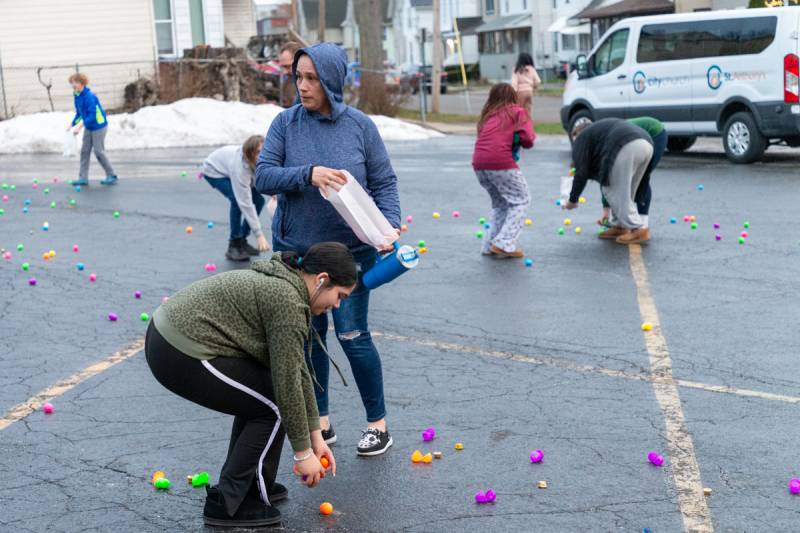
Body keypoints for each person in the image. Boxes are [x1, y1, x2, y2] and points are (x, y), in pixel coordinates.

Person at [145, 242, 356, 528]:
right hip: (178, 349)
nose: (337, 305)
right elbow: (288, 385)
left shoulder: (291, 288)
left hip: (178, 339)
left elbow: (297, 371)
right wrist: (304, 454)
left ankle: (254, 488)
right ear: (322, 279)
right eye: (339, 296)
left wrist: (316, 437)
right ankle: (230, 504)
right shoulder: (288, 301)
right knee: (274, 404)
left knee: (267, 396)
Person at [255, 43, 401, 457]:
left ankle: (378, 425)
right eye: (298, 77)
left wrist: (388, 223)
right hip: (297, 254)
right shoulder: (286, 124)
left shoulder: (360, 127)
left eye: (312, 78)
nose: (302, 86)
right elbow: (264, 176)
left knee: (353, 336)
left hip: (352, 254)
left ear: (332, 81)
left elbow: (384, 182)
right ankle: (320, 420)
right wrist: (309, 174)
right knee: (310, 339)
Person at [472, 83, 535, 258]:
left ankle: (489, 244)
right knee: (521, 200)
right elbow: (528, 139)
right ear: (513, 97)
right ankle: (504, 243)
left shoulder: (488, 115)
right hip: (500, 162)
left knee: (500, 205)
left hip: (479, 164)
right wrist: (518, 137)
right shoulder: (517, 111)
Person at [566, 118, 654, 245]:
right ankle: (620, 226)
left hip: (626, 145)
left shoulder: (581, 138)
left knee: (611, 188)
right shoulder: (598, 133)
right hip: (647, 144)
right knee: (627, 190)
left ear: (576, 134)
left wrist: (572, 200)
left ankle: (638, 229)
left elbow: (581, 173)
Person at [202, 135, 275, 261]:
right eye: (258, 152)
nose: (262, 155)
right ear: (250, 153)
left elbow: (258, 180)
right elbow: (245, 202)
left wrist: (273, 192)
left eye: (264, 151)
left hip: (229, 168)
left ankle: (243, 241)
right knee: (237, 201)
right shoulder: (240, 168)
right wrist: (259, 235)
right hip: (214, 171)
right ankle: (234, 244)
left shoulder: (259, 160)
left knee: (258, 200)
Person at [599, 116, 667, 229]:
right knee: (624, 179)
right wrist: (606, 211)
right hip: (635, 138)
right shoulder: (600, 145)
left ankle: (643, 224)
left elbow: (606, 178)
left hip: (655, 133)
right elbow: (606, 179)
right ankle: (622, 222)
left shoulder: (604, 144)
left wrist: (606, 212)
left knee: (642, 178)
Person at [66, 73, 118, 187]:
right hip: (89, 125)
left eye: (75, 82)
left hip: (99, 125)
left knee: (98, 151)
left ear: (82, 83)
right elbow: (80, 113)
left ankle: (111, 174)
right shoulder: (77, 95)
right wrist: (72, 123)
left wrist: (80, 127)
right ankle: (83, 178)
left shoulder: (90, 96)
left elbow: (92, 114)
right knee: (85, 151)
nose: (73, 85)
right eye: (72, 83)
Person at [510, 53, 541, 118]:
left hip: (520, 92)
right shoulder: (531, 69)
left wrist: (513, 92)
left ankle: (520, 122)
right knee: (528, 108)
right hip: (529, 91)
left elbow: (514, 83)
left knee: (519, 108)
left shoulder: (516, 69)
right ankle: (528, 123)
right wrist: (533, 87)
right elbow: (538, 81)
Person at [278, 41, 302, 108]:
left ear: (299, 60)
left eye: (287, 66)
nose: (285, 72)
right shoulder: (288, 79)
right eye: (282, 67)